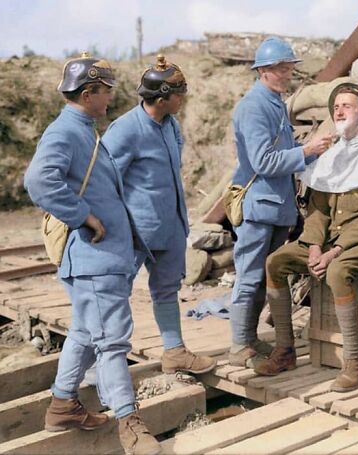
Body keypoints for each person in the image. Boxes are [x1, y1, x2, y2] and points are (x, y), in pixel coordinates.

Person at [24, 53, 160, 455]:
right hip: (94, 259)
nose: (110, 98)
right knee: (113, 342)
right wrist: (85, 216)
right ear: (89, 93)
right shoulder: (67, 131)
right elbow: (39, 180)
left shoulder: (83, 128)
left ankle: (63, 404)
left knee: (87, 331)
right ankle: (129, 423)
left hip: (101, 259)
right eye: (105, 92)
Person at [253, 82, 358, 392]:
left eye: (346, 105)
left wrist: (332, 253)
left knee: (337, 271)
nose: (338, 110)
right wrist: (314, 247)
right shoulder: (331, 155)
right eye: (335, 106)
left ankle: (354, 362)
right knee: (275, 262)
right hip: (327, 242)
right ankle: (285, 351)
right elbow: (318, 211)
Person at [102, 55, 216, 376]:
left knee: (167, 289)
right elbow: (103, 180)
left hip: (170, 226)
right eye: (179, 95)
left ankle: (175, 351)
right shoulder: (124, 130)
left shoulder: (171, 125)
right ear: (163, 98)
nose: (183, 100)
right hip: (135, 232)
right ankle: (108, 360)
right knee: (115, 291)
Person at [228, 37, 333, 367]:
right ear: (263, 71)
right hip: (260, 207)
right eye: (281, 69)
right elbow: (263, 162)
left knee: (264, 274)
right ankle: (238, 345)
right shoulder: (253, 107)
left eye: (289, 68)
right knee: (248, 276)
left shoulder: (274, 103)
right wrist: (307, 151)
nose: (288, 74)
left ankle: (249, 338)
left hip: (275, 207)